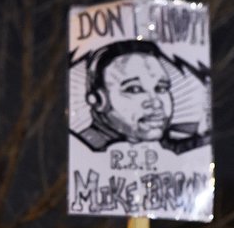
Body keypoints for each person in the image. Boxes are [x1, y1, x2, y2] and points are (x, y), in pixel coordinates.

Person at [73, 39, 209, 154]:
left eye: (161, 88)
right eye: (135, 89)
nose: (156, 103)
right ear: (98, 100)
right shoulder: (82, 152)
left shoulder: (174, 152)